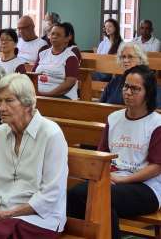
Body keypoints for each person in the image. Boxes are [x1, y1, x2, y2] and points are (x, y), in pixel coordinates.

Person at [67, 65, 161, 239]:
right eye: (126, 86)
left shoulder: (156, 123)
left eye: (135, 88)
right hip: (112, 180)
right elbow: (102, 154)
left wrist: (122, 179)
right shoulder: (114, 118)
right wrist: (106, 177)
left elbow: (156, 167)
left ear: (148, 93)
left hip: (147, 188)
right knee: (75, 195)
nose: (127, 92)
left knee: (94, 197)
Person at [0, 73, 68, 238]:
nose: (1, 108)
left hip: (40, 218)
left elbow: (51, 194)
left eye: (9, 101)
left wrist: (8, 213)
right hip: (2, 212)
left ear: (27, 104)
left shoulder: (51, 134)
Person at [100, 42, 161, 107]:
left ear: (140, 59)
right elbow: (100, 105)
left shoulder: (149, 82)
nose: (125, 60)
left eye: (130, 57)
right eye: (123, 57)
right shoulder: (115, 81)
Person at [33, 22, 79, 99]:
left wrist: (47, 95)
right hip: (38, 94)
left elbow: (70, 82)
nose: (54, 36)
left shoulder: (71, 57)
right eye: (52, 34)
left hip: (61, 96)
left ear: (67, 38)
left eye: (58, 35)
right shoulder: (43, 53)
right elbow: (32, 75)